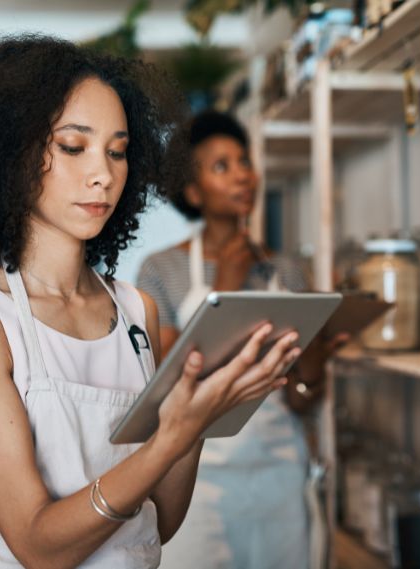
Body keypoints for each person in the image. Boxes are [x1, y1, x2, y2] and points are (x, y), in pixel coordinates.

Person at [0, 36, 302, 569]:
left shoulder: (137, 311)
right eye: (74, 146)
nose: (104, 173)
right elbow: (39, 546)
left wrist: (198, 421)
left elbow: (158, 523)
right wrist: (174, 436)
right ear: (9, 156)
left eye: (117, 151)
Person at [137, 110, 347, 569]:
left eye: (244, 162)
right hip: (195, 476)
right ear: (193, 192)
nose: (242, 175)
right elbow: (169, 382)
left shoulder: (287, 270)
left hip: (278, 471)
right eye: (221, 166)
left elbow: (302, 397)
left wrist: (315, 354)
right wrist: (226, 288)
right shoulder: (160, 271)